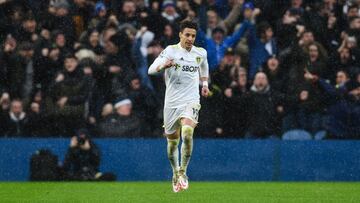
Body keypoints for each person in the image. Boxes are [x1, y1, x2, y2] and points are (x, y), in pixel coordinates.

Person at [148, 20, 209, 192]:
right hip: (172, 103)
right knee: (173, 143)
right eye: (187, 35)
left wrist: (204, 84)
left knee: (188, 133)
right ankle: (175, 173)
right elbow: (150, 70)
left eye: (193, 35)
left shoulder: (200, 53)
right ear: (180, 35)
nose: (190, 38)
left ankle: (183, 171)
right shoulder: (170, 51)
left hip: (191, 100)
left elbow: (204, 66)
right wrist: (163, 65)